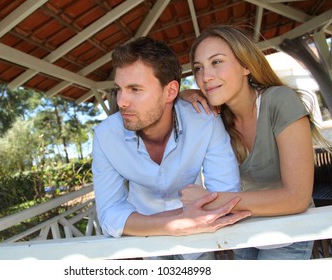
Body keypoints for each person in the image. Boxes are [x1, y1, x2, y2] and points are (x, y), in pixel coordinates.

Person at [92, 36, 251, 260]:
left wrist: (190, 219)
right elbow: (109, 213)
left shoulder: (205, 121)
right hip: (144, 241)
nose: (121, 102)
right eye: (119, 89)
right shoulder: (105, 136)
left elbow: (226, 194)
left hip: (199, 243)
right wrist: (174, 223)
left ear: (170, 92)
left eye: (135, 89)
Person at [180, 24, 330, 260]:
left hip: (288, 231)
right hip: (243, 228)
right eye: (198, 68)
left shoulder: (279, 101)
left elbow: (297, 198)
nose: (204, 77)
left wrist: (211, 200)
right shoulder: (214, 118)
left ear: (246, 65)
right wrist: (183, 96)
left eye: (216, 62)